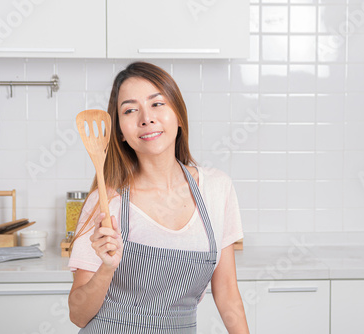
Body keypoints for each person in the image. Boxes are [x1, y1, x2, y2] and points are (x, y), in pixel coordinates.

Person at [67, 62, 249, 333]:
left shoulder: (217, 189)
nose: (146, 118)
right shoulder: (106, 202)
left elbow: (227, 295)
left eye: (157, 104)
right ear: (119, 131)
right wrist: (106, 268)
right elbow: (78, 314)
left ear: (178, 114)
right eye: (130, 110)